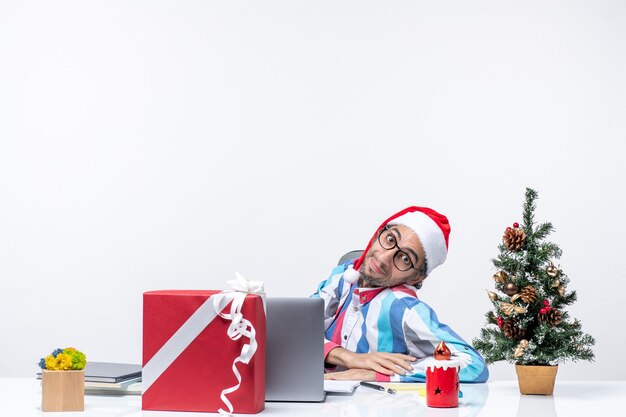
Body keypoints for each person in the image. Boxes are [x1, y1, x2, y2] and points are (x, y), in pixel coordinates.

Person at [312, 206, 489, 383]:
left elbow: (473, 365)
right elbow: (298, 331)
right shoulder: (344, 275)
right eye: (390, 239)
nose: (383, 259)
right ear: (377, 234)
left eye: (405, 259)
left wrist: (381, 374)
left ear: (415, 277)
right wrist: (349, 357)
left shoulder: (403, 308)